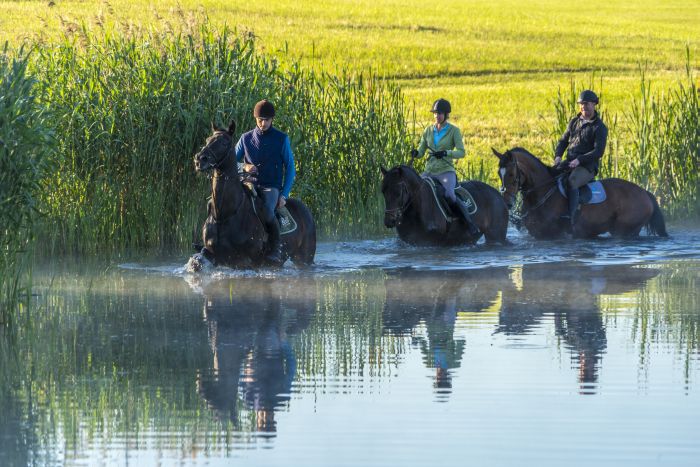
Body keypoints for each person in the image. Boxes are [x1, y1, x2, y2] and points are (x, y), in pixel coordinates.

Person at [235, 99, 296, 265]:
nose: (263, 123)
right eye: (260, 120)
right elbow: (230, 162)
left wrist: (284, 194)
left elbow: (290, 168)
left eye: (266, 120)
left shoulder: (282, 139)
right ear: (255, 119)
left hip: (271, 187)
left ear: (272, 120)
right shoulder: (245, 138)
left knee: (268, 210)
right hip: (248, 184)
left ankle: (275, 248)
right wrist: (244, 166)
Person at [411, 98, 478, 235]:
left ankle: (467, 223)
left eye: (439, 113)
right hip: (429, 171)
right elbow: (421, 151)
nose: (436, 116)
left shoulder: (454, 131)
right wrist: (416, 153)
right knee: (415, 193)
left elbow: (461, 152)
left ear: (446, 114)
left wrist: (446, 153)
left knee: (449, 195)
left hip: (445, 171)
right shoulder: (428, 131)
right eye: (435, 113)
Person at [554, 90, 608, 225]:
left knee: (572, 181)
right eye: (581, 104)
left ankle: (569, 217)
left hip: (587, 167)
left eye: (586, 104)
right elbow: (563, 141)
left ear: (594, 104)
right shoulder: (574, 122)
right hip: (569, 162)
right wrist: (558, 156)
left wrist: (580, 160)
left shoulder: (599, 127)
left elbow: (598, 152)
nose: (583, 106)